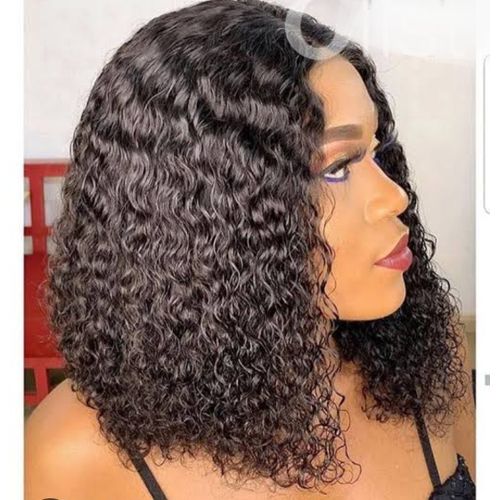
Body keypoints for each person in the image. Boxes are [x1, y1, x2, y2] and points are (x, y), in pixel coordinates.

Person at [25, 1, 475, 498]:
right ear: (207, 212)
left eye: (377, 148)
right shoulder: (71, 453)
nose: (395, 196)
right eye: (337, 167)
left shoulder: (431, 364)